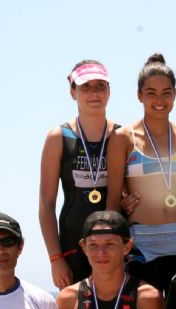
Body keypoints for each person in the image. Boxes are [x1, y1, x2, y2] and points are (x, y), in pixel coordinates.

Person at [107, 53, 176, 294]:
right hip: (142, 242)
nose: (159, 100)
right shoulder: (122, 138)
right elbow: (111, 200)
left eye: (166, 92)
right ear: (140, 95)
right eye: (151, 93)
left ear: (175, 95)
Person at [40, 59, 121, 289]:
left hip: (115, 245)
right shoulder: (58, 137)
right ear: (72, 92)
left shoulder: (122, 135)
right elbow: (46, 204)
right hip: (72, 246)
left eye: (100, 86)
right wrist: (56, 259)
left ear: (109, 91)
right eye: (86, 86)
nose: (94, 93)